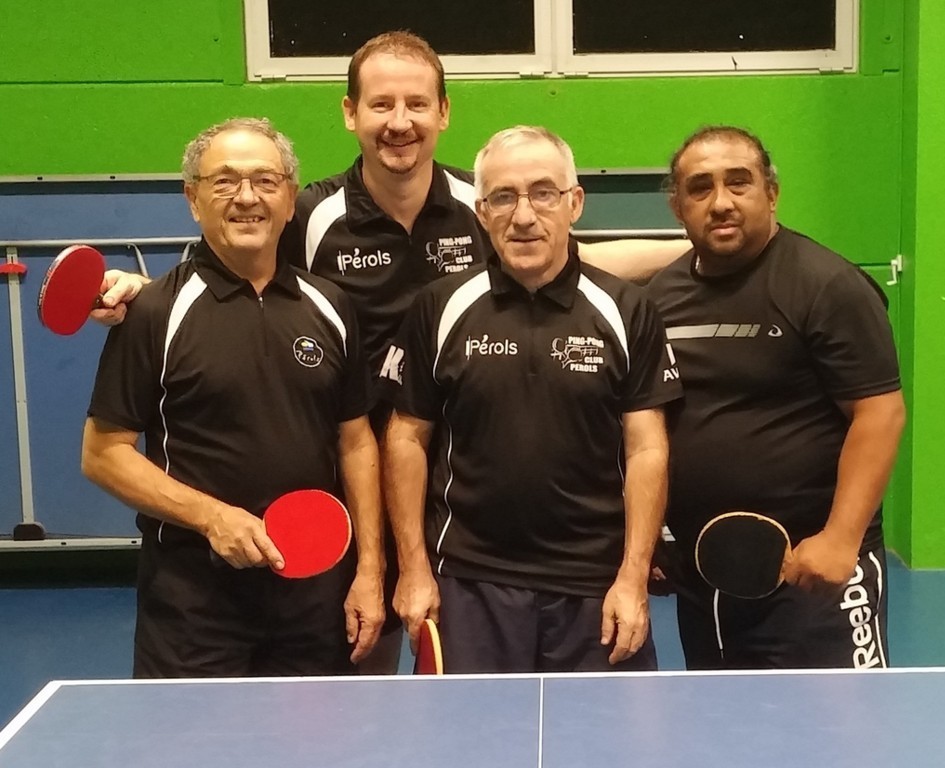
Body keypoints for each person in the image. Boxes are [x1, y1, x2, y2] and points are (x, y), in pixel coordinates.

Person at [91, 31, 687, 673]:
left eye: (416, 103)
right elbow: (237, 263)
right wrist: (151, 294)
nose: (399, 122)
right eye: (381, 104)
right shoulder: (310, 214)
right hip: (348, 497)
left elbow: (571, 257)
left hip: (454, 494)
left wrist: (695, 248)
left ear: (443, 112)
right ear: (351, 113)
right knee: (365, 667)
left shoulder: (480, 202)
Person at [81, 117, 384, 677]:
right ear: (193, 199)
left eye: (266, 181)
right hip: (193, 599)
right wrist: (211, 517)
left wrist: (369, 568)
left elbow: (356, 441)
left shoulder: (332, 305)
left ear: (290, 199)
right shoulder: (152, 312)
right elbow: (103, 455)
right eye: (224, 181)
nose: (247, 198)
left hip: (313, 595)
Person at [382, 125, 682, 673]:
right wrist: (413, 569)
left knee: (610, 730)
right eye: (503, 196)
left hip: (595, 585)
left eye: (543, 193)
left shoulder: (627, 309)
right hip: (470, 583)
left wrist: (633, 576)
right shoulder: (439, 306)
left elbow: (647, 449)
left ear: (575, 204)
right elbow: (406, 438)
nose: (523, 216)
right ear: (481, 212)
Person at [646, 125, 906, 669]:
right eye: (700, 187)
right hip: (705, 578)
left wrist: (840, 540)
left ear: (771, 192)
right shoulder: (661, 298)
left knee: (840, 723)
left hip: (813, 575)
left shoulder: (827, 285)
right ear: (677, 207)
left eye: (738, 182)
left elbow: (879, 414)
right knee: (722, 718)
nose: (721, 202)